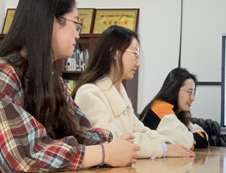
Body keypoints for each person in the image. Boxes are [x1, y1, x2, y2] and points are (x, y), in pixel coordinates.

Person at [0, 0, 139, 173]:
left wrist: (113, 141)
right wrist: (104, 153)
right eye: (75, 23)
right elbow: (24, 154)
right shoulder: (0, 74)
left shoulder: (52, 81)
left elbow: (79, 130)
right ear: (51, 22)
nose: (78, 34)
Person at [73, 26, 194, 158]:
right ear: (115, 54)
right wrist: (163, 149)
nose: (138, 63)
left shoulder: (119, 91)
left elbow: (139, 129)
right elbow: (113, 143)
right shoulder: (89, 94)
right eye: (135, 54)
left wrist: (167, 144)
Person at [140, 68, 209, 150]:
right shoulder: (160, 108)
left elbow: (202, 135)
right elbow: (184, 143)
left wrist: (194, 137)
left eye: (193, 92)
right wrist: (195, 138)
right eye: (189, 92)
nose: (192, 98)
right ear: (174, 90)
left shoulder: (177, 111)